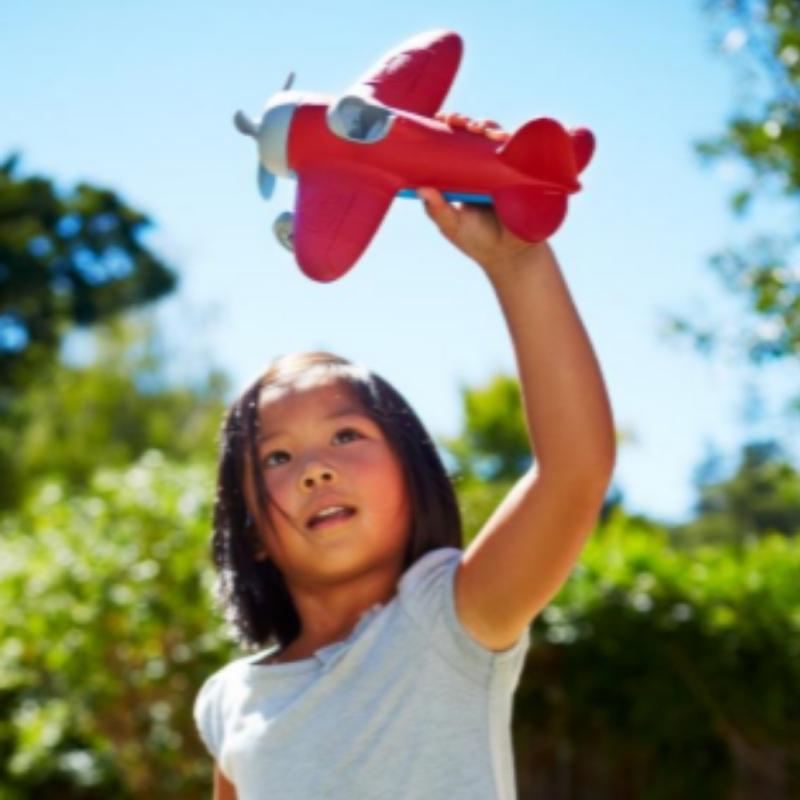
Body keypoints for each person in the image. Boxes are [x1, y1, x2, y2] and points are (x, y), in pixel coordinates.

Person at [193, 120, 616, 800]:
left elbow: (575, 471)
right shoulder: (230, 701)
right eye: (275, 455)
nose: (315, 469)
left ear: (415, 479)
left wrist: (518, 263)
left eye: (347, 436)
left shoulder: (448, 621)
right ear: (250, 533)